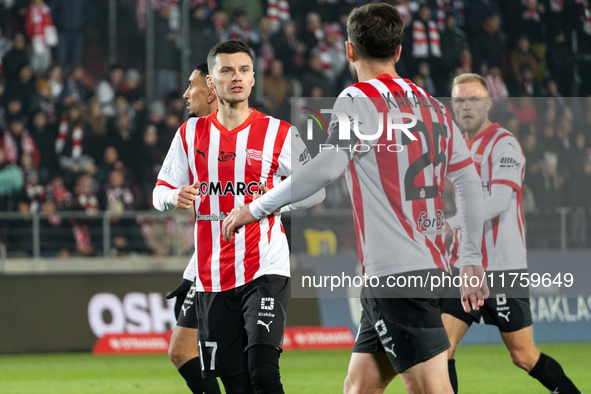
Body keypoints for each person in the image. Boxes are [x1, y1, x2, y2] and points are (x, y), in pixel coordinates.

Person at [222, 4, 488, 394]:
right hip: (426, 267)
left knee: (432, 389)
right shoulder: (434, 107)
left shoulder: (357, 99)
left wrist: (257, 206)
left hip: (395, 275)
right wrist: (470, 258)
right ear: (399, 51)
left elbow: (328, 166)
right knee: (359, 386)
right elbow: (468, 181)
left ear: (349, 51)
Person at [152, 39, 323, 394]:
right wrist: (173, 196)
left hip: (265, 266)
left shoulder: (279, 132)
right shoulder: (189, 135)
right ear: (212, 83)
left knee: (263, 370)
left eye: (244, 70)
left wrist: (273, 202)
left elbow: (316, 189)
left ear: (253, 78)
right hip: (213, 277)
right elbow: (159, 193)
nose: (237, 77)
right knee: (237, 384)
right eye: (227, 70)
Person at [443, 73, 581, 394]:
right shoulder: (456, 147)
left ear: (489, 103)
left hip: (502, 268)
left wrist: (450, 223)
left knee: (523, 355)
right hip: (464, 265)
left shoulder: (504, 143)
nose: (466, 106)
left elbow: (499, 202)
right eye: (459, 100)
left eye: (474, 99)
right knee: (441, 350)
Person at [164, 63, 221, 394]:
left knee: (240, 362)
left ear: (211, 88)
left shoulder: (256, 133)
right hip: (208, 261)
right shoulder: (190, 133)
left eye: (192, 85)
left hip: (250, 261)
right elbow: (160, 191)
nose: (186, 94)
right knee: (182, 350)